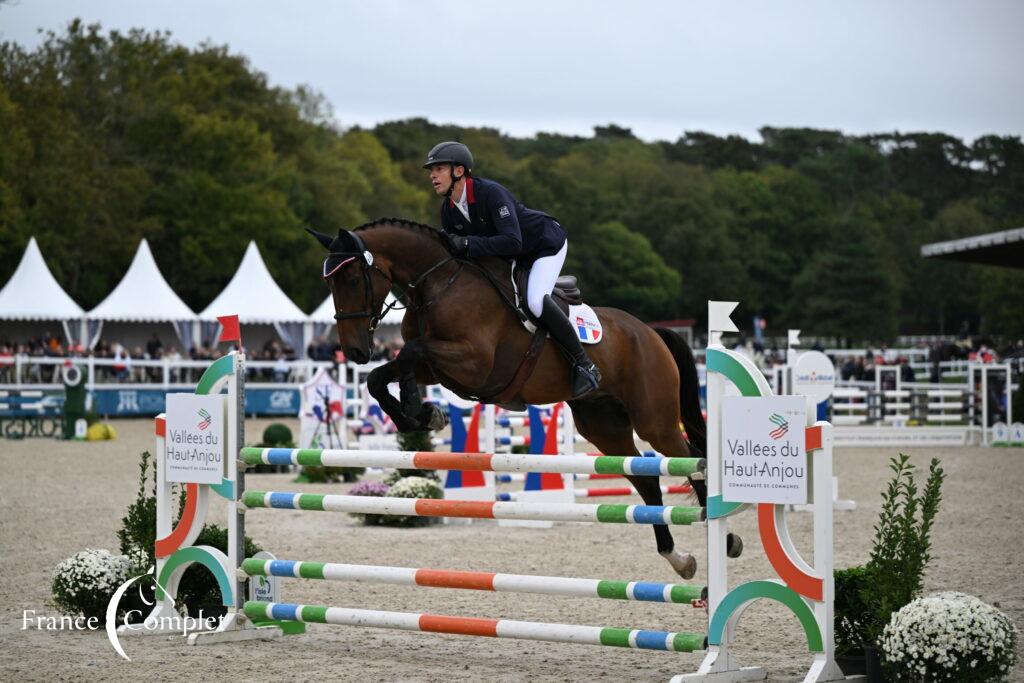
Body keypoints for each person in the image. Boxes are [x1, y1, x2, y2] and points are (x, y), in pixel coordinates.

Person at [423, 141, 601, 399]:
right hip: (510, 256)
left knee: (536, 302)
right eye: (432, 170)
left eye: (438, 169)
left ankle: (585, 365)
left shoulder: (491, 194)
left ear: (459, 171)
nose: (432, 175)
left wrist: (469, 243)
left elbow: (512, 241)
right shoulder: (448, 211)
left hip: (543, 245)